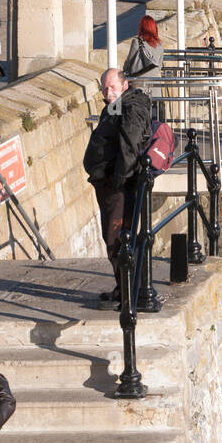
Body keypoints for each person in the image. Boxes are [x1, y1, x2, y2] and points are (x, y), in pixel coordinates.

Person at [83, 69, 152, 304]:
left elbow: (130, 145)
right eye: (104, 88)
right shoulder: (116, 105)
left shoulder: (131, 108)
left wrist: (118, 178)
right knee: (116, 239)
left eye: (112, 86)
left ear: (125, 85)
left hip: (119, 187)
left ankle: (129, 295)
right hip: (110, 183)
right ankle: (124, 288)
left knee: (117, 240)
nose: (107, 91)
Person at [122, 15, 163, 91]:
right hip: (155, 85)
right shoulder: (160, 45)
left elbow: (129, 61)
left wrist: (124, 71)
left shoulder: (137, 42)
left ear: (141, 27)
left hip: (139, 84)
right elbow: (159, 67)